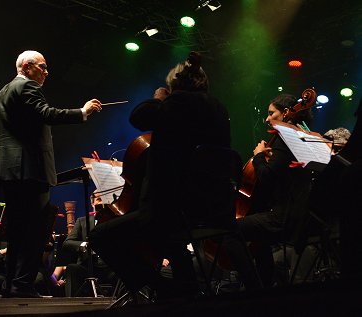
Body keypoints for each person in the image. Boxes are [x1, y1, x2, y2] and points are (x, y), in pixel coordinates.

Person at [89, 51, 253, 299]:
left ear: (175, 87)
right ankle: (187, 290)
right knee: (170, 237)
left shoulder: (176, 105)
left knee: (101, 236)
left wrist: (161, 97)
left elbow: (138, 116)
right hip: (213, 208)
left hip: (175, 209)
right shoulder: (219, 109)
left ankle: (164, 289)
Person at [0, 50, 102, 298]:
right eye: (43, 66)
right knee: (34, 230)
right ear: (28, 66)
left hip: (11, 170)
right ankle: (21, 286)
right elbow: (48, 113)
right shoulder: (28, 86)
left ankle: (11, 286)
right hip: (30, 170)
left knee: (18, 232)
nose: (46, 72)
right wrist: (82, 111)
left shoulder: (4, 91)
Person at [237, 93, 314, 287]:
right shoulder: (301, 137)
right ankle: (266, 284)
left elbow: (267, 178)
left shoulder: (286, 139)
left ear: (286, 113)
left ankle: (255, 288)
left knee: (230, 230)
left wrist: (259, 156)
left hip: (285, 217)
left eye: (272, 113)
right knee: (259, 238)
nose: (267, 118)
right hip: (300, 215)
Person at [62, 215, 117, 297]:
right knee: (72, 269)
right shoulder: (82, 221)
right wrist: (84, 244)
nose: (101, 203)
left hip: (110, 267)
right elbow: (67, 243)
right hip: (88, 266)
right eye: (98, 201)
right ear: (92, 203)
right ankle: (73, 302)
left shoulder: (115, 219)